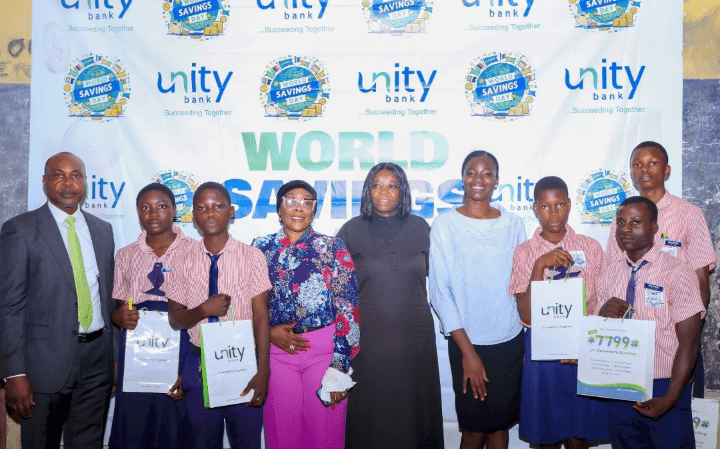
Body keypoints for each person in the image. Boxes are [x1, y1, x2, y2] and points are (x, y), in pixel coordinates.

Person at [0, 152, 116, 448]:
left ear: (85, 182)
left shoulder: (103, 231)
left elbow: (107, 297)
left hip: (97, 363)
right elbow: (9, 306)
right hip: (43, 366)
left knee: (88, 443)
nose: (68, 182)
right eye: (58, 175)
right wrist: (14, 372)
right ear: (44, 182)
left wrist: (113, 359)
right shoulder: (19, 230)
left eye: (75, 175)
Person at [339, 163, 444, 449]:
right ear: (367, 191)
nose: (383, 191)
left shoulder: (421, 227)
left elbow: (440, 281)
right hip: (368, 345)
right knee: (371, 420)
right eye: (376, 185)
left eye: (392, 185)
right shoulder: (350, 230)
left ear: (403, 191)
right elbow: (336, 293)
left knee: (415, 418)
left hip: (415, 344)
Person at [252, 180, 360, 449]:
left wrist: (339, 368)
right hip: (277, 354)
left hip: (324, 354)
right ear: (279, 209)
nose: (298, 208)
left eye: (307, 202)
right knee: (282, 435)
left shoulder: (333, 248)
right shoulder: (259, 248)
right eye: (291, 200)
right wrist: (266, 335)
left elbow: (348, 309)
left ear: (314, 210)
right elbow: (247, 303)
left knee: (325, 436)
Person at [429, 150, 526, 449]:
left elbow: (520, 283)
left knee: (499, 428)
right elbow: (440, 292)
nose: (478, 180)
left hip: (509, 341)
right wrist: (469, 353)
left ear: (497, 181)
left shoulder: (514, 224)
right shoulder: (445, 225)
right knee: (472, 431)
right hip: (465, 342)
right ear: (462, 179)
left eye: (486, 174)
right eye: (471, 172)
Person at [605, 141, 716, 397]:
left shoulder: (689, 214)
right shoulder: (621, 219)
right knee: (629, 424)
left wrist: (688, 348)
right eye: (637, 164)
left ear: (666, 170)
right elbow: (613, 275)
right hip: (627, 344)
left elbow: (701, 283)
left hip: (675, 343)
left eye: (653, 163)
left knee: (672, 423)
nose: (644, 169)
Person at [168, 182, 271, 449]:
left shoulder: (253, 257)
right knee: (202, 441)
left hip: (242, 361)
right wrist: (203, 310)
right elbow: (175, 319)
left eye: (218, 206)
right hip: (198, 361)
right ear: (193, 215)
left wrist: (263, 370)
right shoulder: (181, 260)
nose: (210, 213)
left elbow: (261, 316)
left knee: (246, 441)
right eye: (202, 208)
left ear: (232, 212)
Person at [508, 176, 608, 449]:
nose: (553, 212)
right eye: (545, 206)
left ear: (569, 205)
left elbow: (602, 302)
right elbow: (526, 315)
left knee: (578, 435)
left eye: (560, 204)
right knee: (546, 436)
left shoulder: (590, 247)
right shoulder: (525, 252)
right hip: (543, 349)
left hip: (581, 345)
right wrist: (539, 266)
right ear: (534, 208)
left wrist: (589, 345)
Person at [598, 196, 704, 448]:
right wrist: (601, 314)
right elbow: (598, 335)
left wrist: (670, 398)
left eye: (636, 222)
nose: (625, 229)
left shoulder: (677, 272)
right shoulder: (608, 274)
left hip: (665, 385)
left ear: (654, 227)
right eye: (621, 222)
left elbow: (689, 342)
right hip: (619, 385)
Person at [108, 183, 194, 449]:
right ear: (137, 213)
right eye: (145, 207)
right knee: (135, 425)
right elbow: (121, 310)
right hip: (137, 352)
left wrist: (191, 368)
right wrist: (117, 317)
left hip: (182, 346)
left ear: (174, 210)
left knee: (175, 424)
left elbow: (202, 311)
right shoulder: (125, 255)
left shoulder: (195, 250)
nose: (153, 213)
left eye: (161, 206)